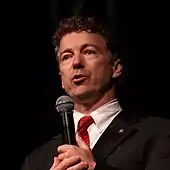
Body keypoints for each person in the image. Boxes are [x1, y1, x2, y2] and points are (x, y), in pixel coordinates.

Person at [21, 15, 170, 170]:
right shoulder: (37, 161)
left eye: (89, 52)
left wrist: (93, 168)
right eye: (67, 56)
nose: (76, 62)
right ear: (61, 78)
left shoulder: (158, 135)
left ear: (116, 68)